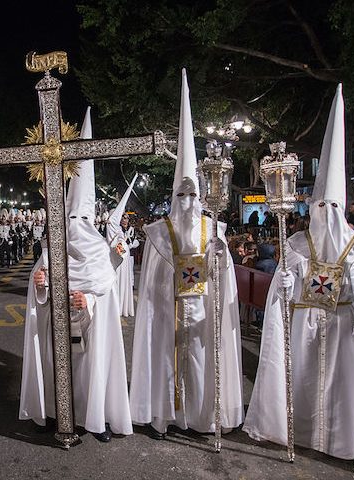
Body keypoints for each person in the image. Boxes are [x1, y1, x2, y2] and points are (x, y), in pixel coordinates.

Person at [244, 85, 354, 469]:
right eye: (320, 206)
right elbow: (283, 289)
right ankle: (296, 431)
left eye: (332, 206)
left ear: (342, 209)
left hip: (341, 329)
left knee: (339, 389)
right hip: (304, 326)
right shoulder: (297, 242)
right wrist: (283, 287)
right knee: (302, 383)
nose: (325, 213)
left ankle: (339, 440)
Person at [129, 70, 243, 440]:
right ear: (172, 195)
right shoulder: (158, 232)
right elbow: (149, 281)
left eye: (193, 196)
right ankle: (163, 415)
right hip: (166, 312)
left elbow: (225, 281)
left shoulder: (215, 229)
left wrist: (222, 257)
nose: (188, 202)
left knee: (201, 362)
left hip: (203, 312)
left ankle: (201, 417)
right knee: (166, 360)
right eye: (181, 195)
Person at [20, 107, 132, 443]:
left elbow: (107, 288)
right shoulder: (52, 246)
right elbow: (39, 282)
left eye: (81, 221)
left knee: (91, 371)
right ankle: (58, 414)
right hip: (58, 322)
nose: (75, 228)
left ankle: (96, 418)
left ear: (90, 220)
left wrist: (92, 300)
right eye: (71, 221)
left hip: (92, 325)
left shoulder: (99, 249)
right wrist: (40, 287)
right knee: (60, 369)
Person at [106, 177, 139, 318]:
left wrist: (123, 246)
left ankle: (120, 306)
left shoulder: (118, 230)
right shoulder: (112, 228)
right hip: (116, 260)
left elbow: (123, 245)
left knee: (121, 283)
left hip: (121, 260)